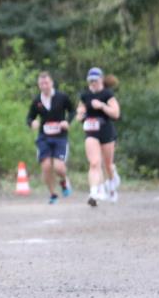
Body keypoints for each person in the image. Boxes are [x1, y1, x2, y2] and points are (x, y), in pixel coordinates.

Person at [26, 71, 74, 204]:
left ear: (51, 83)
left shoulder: (62, 97)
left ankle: (64, 181)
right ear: (38, 85)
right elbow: (29, 117)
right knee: (46, 167)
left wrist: (67, 122)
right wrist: (32, 122)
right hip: (44, 138)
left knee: (58, 167)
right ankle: (53, 194)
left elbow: (72, 110)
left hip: (60, 137)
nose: (44, 85)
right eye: (41, 83)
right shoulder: (37, 101)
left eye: (46, 83)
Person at [75, 68, 120, 206]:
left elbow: (116, 114)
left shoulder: (107, 94)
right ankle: (94, 192)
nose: (93, 83)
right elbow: (79, 114)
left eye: (95, 80)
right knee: (94, 162)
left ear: (101, 79)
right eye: (90, 80)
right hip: (91, 131)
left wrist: (101, 106)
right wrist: (80, 114)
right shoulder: (85, 95)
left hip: (106, 130)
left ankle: (112, 186)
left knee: (107, 165)